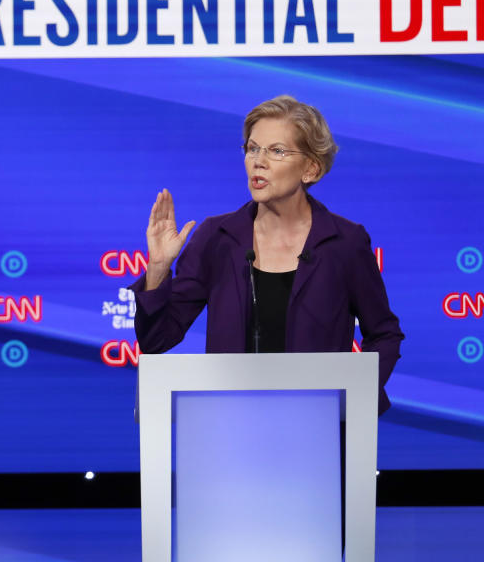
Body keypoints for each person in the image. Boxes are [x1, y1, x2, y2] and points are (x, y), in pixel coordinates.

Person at [131, 95, 402, 414]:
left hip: (317, 431)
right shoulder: (217, 239)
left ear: (311, 169)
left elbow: (384, 334)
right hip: (228, 426)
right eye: (252, 148)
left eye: (277, 151)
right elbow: (156, 340)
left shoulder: (344, 242)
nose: (258, 161)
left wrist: (354, 399)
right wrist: (159, 268)